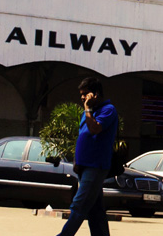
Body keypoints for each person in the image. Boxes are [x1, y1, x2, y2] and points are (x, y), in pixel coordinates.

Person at [59, 77, 119, 236]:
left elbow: (95, 129)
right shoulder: (86, 113)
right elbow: (83, 137)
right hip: (84, 167)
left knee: (79, 205)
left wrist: (88, 109)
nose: (82, 97)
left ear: (96, 94)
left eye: (85, 94)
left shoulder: (108, 109)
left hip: (96, 166)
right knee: (95, 209)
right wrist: (77, 161)